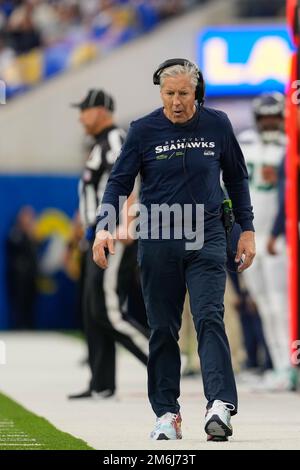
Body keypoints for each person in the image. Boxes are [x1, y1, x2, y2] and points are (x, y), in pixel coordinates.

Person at [93, 59, 255, 441]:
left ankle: (220, 406)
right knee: (163, 329)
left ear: (196, 92)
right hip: (158, 239)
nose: (177, 102)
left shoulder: (217, 124)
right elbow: (117, 183)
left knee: (209, 317)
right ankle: (167, 413)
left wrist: (246, 230)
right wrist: (103, 229)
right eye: (169, 94)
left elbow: (236, 177)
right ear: (160, 92)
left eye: (184, 93)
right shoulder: (143, 130)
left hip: (207, 236)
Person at [68, 88, 148, 400]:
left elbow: (128, 179)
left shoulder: (114, 139)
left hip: (112, 237)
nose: (80, 117)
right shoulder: (97, 144)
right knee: (93, 311)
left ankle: (164, 361)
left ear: (101, 110)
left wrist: (127, 223)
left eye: (84, 110)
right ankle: (101, 382)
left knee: (108, 310)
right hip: (96, 237)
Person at [238, 93, 291, 390]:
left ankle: (287, 365)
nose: (270, 122)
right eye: (265, 117)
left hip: (278, 236)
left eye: (275, 116)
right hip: (252, 236)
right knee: (262, 302)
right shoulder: (244, 143)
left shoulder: (289, 145)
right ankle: (279, 364)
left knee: (279, 303)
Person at [6, 206, 38, 329]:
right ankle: (18, 327)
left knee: (30, 305)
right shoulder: (15, 233)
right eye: (26, 217)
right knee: (18, 305)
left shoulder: (32, 235)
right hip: (18, 278)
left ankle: (30, 326)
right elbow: (16, 248)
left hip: (31, 277)